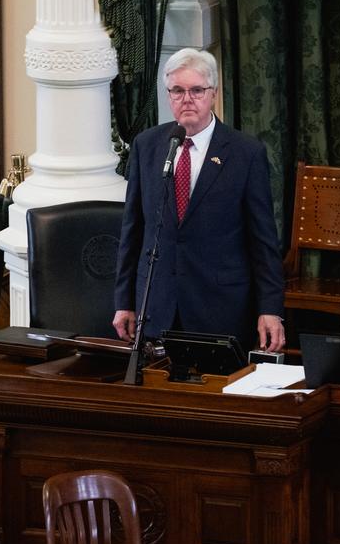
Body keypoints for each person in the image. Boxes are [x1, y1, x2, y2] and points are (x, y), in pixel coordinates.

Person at [113, 48, 286, 351]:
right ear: (168, 96)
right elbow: (133, 230)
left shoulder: (245, 153)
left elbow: (263, 241)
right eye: (177, 91)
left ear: (214, 94)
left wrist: (270, 308)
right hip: (157, 306)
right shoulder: (148, 146)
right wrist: (124, 301)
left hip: (219, 309)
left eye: (196, 90)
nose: (187, 99)